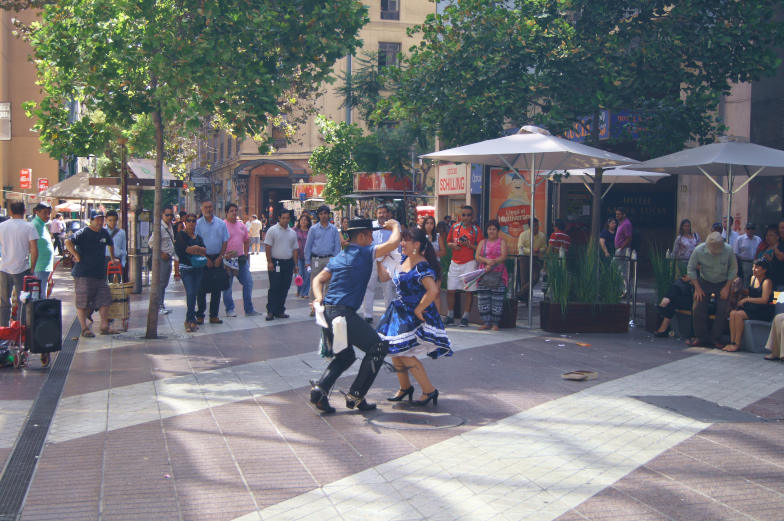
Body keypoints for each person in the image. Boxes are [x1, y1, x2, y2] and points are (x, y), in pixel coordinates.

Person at [308, 218, 401, 413]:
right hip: (343, 313)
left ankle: (319, 391)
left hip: (329, 312)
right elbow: (393, 243)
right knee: (377, 347)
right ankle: (356, 395)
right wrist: (395, 227)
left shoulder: (338, 257)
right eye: (370, 235)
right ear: (361, 236)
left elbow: (318, 279)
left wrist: (318, 298)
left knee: (346, 356)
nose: (372, 238)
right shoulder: (365, 252)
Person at [376, 227, 452, 406]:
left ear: (416, 244)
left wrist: (419, 309)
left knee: (405, 352)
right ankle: (405, 388)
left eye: (405, 240)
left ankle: (429, 390)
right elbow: (384, 278)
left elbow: (433, 290)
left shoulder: (421, 265)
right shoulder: (403, 259)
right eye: (402, 240)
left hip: (414, 316)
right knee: (394, 350)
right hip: (400, 313)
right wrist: (380, 260)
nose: (401, 243)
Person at [64, 211, 118, 337]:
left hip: (100, 273)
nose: (100, 222)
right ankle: (84, 328)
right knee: (83, 301)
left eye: (101, 219)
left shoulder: (104, 232)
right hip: (83, 273)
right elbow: (68, 242)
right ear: (91, 220)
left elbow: (110, 244)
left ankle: (104, 326)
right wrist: (75, 254)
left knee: (105, 300)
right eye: (97, 219)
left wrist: (113, 258)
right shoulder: (83, 232)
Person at [685, 231, 737, 348]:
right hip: (704, 281)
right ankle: (700, 336)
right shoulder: (698, 250)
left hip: (723, 282)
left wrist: (727, 287)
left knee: (723, 309)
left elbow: (733, 270)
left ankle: (715, 337)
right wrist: (697, 288)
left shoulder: (728, 250)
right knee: (698, 306)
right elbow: (691, 269)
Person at [0, 202, 38, 326]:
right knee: (24, 300)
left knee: (4, 302)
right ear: (24, 211)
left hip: (4, 268)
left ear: (10, 212)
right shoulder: (29, 227)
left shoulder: (2, 226)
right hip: (23, 269)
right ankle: (21, 329)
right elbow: (34, 250)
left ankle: (4, 330)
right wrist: (32, 268)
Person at [723, 258, 774, 352]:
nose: (754, 269)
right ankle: (732, 342)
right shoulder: (753, 278)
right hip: (753, 308)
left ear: (764, 270)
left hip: (764, 310)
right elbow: (751, 292)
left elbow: (764, 300)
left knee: (738, 315)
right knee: (733, 313)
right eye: (753, 267)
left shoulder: (767, 282)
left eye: (757, 267)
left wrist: (746, 299)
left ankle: (737, 344)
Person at [445, 205, 483, 327]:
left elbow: (480, 248)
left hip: (470, 263)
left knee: (469, 292)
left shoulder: (477, 230)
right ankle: (450, 315)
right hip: (455, 263)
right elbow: (448, 242)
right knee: (450, 290)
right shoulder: (455, 226)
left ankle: (465, 317)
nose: (466, 217)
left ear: (472, 217)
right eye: (463, 215)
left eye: (468, 215)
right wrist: (453, 245)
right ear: (460, 216)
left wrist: (469, 245)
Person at [195, 200, 229, 324]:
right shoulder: (197, 224)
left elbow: (225, 241)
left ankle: (214, 315)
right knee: (201, 288)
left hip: (217, 258)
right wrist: (205, 258)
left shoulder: (221, 223)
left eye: (210, 207)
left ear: (213, 208)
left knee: (217, 288)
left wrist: (220, 257)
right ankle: (200, 315)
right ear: (202, 209)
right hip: (203, 258)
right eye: (206, 207)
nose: (208, 209)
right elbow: (196, 242)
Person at [361, 205, 397, 323]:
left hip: (387, 260)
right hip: (372, 259)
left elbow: (397, 243)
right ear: (376, 214)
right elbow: (366, 242)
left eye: (384, 212)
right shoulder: (371, 226)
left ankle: (388, 314)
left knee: (387, 289)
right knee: (369, 287)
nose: (382, 215)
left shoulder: (393, 226)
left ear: (388, 214)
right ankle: (368, 315)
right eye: (379, 212)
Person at [305, 205, 341, 316]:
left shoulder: (334, 229)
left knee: (329, 285)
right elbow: (308, 246)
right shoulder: (313, 229)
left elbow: (337, 246)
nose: (323, 216)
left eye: (325, 213)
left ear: (328, 215)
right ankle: (314, 307)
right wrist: (307, 261)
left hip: (330, 259)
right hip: (316, 259)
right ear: (318, 215)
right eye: (321, 214)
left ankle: (325, 306)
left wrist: (335, 260)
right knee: (314, 284)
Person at [222, 203, 257, 317]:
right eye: (231, 211)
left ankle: (249, 309)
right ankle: (230, 309)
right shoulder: (223, 225)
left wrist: (246, 253)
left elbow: (246, 240)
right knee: (227, 286)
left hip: (241, 259)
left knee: (248, 282)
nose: (234, 213)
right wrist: (223, 255)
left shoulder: (241, 225)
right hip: (227, 261)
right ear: (226, 212)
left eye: (235, 210)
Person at [175, 213, 207, 332]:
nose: (191, 223)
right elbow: (184, 250)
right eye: (189, 221)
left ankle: (190, 320)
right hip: (186, 269)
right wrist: (196, 249)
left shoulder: (198, 237)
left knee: (195, 293)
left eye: (194, 221)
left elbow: (204, 250)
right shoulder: (181, 235)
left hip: (198, 269)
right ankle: (190, 320)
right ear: (185, 222)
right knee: (191, 292)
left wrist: (195, 249)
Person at [264, 209, 298, 321]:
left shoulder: (292, 232)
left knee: (285, 287)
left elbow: (295, 249)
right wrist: (269, 262)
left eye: (287, 218)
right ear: (279, 218)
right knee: (274, 287)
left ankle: (280, 310)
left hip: (288, 263)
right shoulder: (272, 230)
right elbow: (268, 247)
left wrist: (296, 264)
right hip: (275, 263)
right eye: (283, 218)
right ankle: (270, 311)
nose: (285, 220)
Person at [475, 220, 508, 331]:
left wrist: (493, 262)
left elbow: (503, 256)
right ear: (486, 230)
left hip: (499, 274)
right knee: (483, 300)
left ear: (498, 231)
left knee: (497, 300)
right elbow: (477, 256)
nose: (491, 231)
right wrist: (486, 261)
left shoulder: (502, 242)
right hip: (483, 274)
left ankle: (495, 324)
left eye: (494, 229)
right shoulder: (482, 242)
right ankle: (486, 323)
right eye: (489, 229)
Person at [149, 205, 176, 314]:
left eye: (171, 215)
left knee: (164, 283)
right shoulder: (159, 227)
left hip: (169, 258)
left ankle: (161, 304)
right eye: (167, 215)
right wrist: (161, 253)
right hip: (162, 259)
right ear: (162, 214)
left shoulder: (169, 226)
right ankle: (158, 305)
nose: (169, 217)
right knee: (160, 283)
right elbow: (151, 243)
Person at [517, 217, 547, 302]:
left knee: (535, 278)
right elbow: (520, 247)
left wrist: (539, 250)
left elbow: (545, 247)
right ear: (530, 227)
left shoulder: (542, 235)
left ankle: (520, 294)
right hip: (525, 258)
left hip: (536, 258)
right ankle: (525, 299)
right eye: (534, 226)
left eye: (537, 226)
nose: (536, 228)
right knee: (524, 279)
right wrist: (531, 251)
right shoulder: (523, 234)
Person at [31, 202, 54, 298]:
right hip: (39, 266)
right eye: (45, 213)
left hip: (44, 266)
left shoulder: (42, 224)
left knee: (41, 292)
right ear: (37, 212)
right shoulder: (35, 224)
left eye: (49, 213)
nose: (48, 216)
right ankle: (36, 313)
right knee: (39, 294)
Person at [614, 208, 632, 294]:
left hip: (623, 250)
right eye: (616, 214)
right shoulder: (620, 223)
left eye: (619, 214)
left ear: (624, 214)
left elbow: (629, 238)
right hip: (619, 249)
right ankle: (622, 290)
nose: (617, 216)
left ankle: (626, 291)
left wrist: (621, 248)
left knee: (623, 271)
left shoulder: (626, 224)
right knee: (619, 270)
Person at [104, 210, 127, 277]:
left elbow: (124, 249)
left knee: (116, 285)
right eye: (110, 220)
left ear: (117, 221)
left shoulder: (122, 232)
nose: (112, 222)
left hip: (117, 261)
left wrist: (123, 263)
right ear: (106, 220)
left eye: (114, 220)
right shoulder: (102, 231)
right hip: (104, 261)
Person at [295, 212, 312, 300]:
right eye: (302, 220)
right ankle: (299, 290)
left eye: (305, 220)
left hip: (308, 256)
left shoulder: (310, 231)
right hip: (298, 255)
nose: (303, 221)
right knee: (300, 274)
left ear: (308, 222)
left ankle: (305, 292)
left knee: (308, 274)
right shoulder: (295, 230)